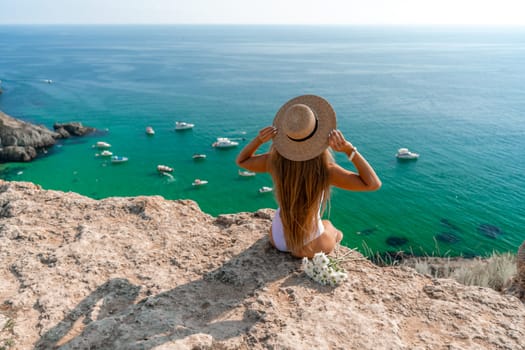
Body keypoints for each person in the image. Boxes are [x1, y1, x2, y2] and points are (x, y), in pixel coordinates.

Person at [236, 95, 381, 258]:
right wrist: (349, 150)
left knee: (325, 225)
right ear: (320, 136)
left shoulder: (275, 162)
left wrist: (259, 140)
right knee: (335, 231)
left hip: (277, 238)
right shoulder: (326, 170)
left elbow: (242, 161)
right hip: (308, 244)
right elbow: (373, 184)